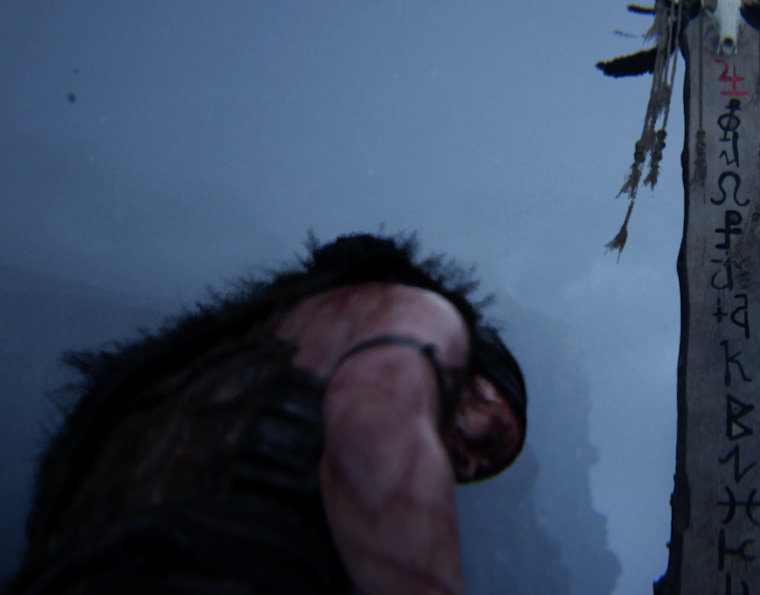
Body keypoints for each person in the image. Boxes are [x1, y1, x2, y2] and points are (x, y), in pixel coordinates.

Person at [4, 233, 527, 595]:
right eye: (488, 437)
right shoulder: (419, 318)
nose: (467, 465)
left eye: (476, 473)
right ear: (469, 369)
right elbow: (372, 437)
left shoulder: (201, 375)